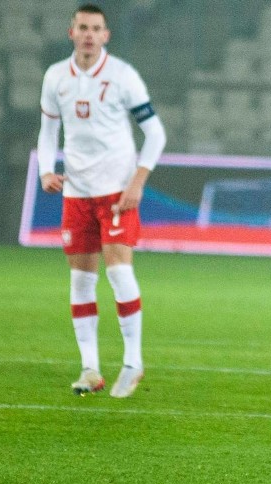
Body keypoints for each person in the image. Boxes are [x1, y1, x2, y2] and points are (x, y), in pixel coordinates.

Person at [37, 4, 166, 398]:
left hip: (116, 192)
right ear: (71, 32)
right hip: (76, 193)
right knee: (80, 281)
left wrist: (137, 182)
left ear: (106, 35)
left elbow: (156, 134)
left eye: (96, 28)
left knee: (119, 272)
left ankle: (133, 362)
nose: (89, 34)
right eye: (83, 28)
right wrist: (46, 169)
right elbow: (47, 131)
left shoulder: (123, 75)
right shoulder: (56, 76)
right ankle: (90, 368)